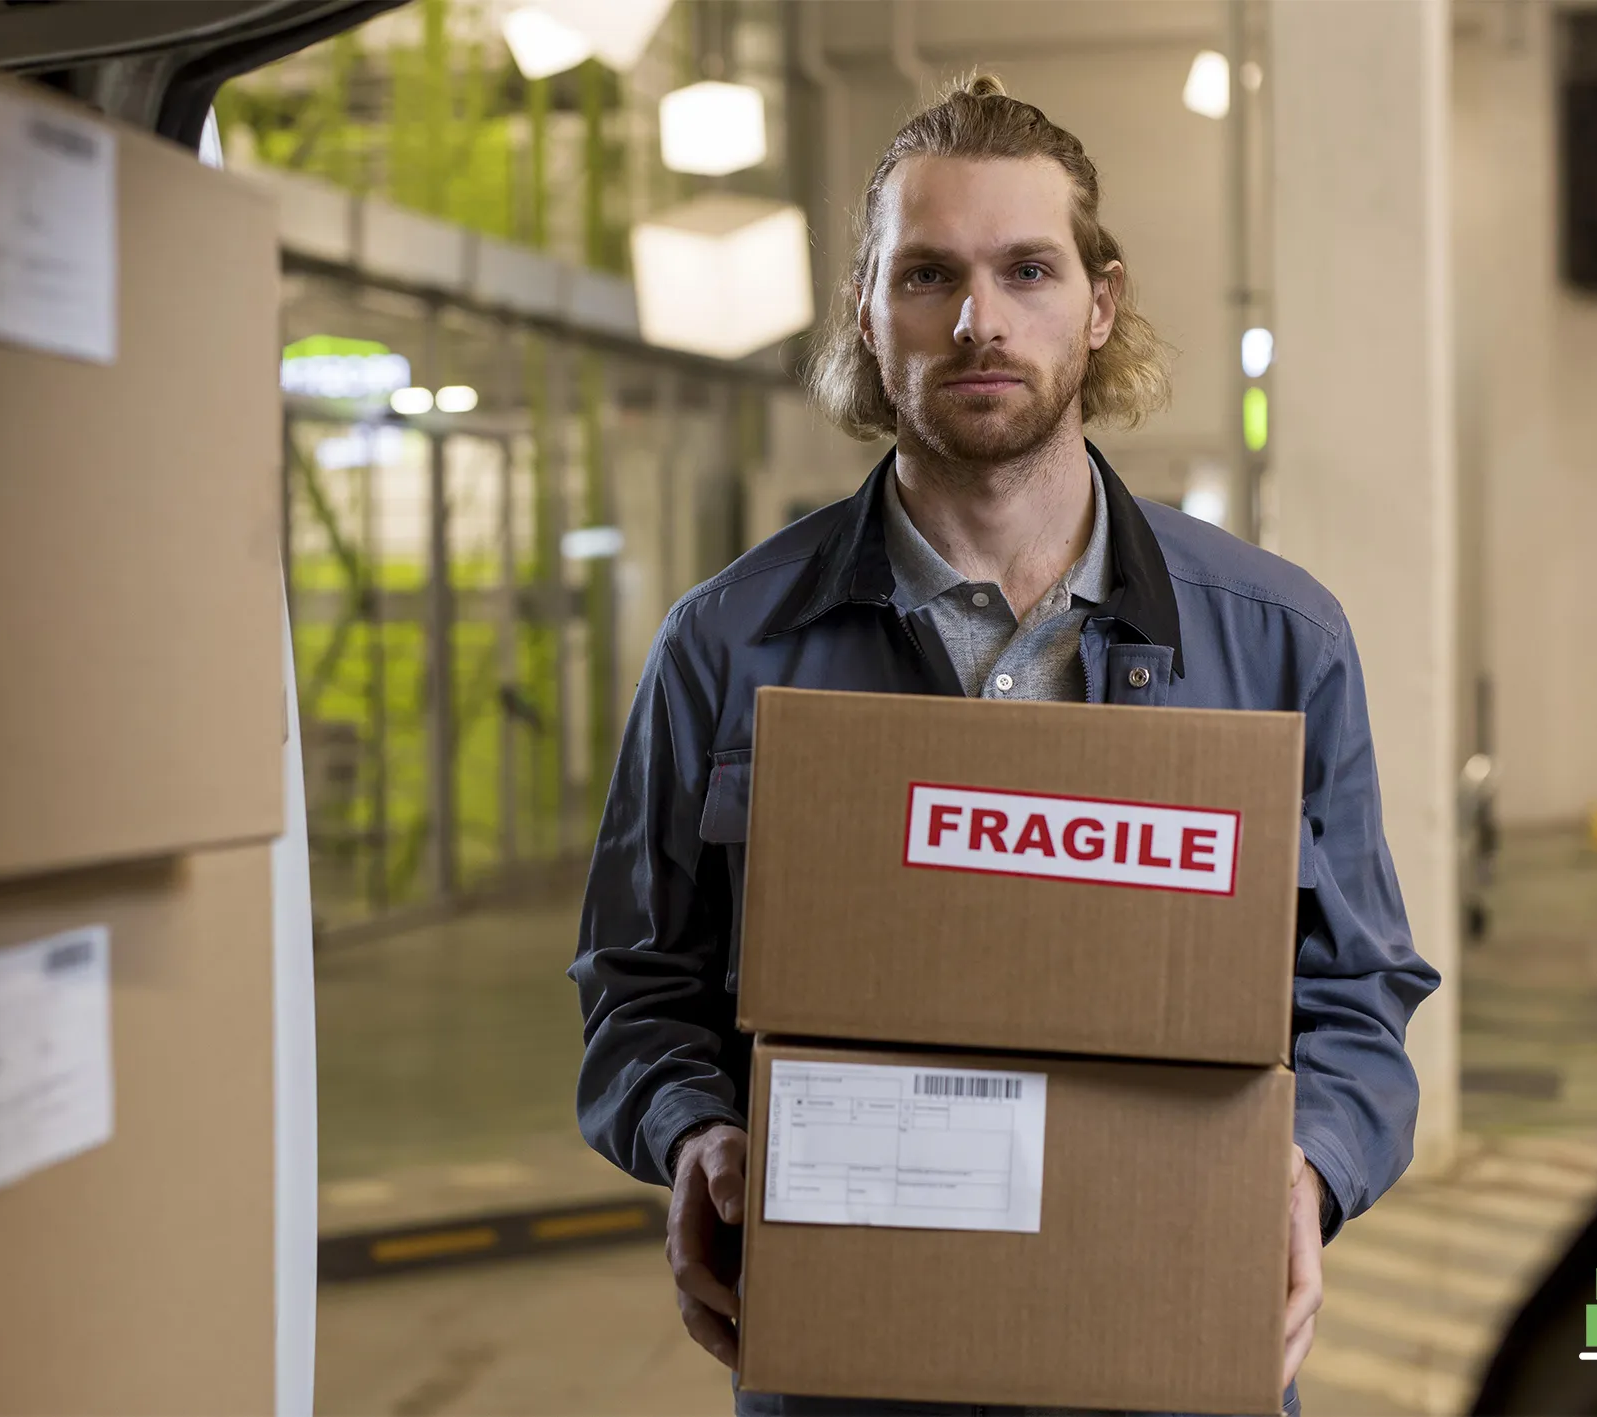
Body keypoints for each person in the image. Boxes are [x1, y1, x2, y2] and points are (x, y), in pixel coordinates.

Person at [571, 73, 1440, 1417]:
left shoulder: (1281, 644)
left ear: (1099, 303)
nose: (978, 320)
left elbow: (1358, 994)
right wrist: (696, 1135)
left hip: (1163, 1333)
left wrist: (1305, 1166)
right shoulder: (726, 646)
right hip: (855, 1363)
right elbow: (636, 989)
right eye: (927, 275)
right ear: (867, 312)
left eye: (1026, 269)